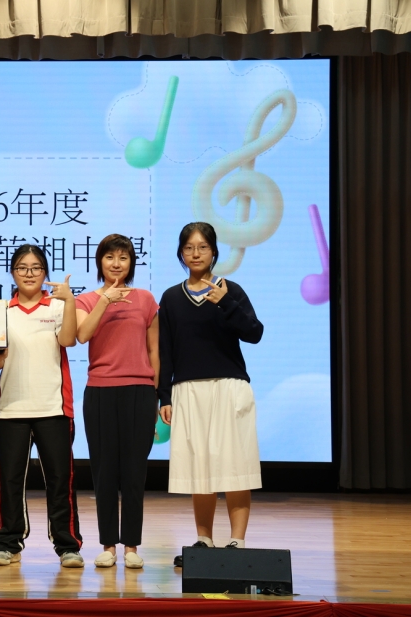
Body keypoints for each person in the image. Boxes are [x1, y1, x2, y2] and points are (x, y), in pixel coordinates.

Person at [158, 222, 264, 568]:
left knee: (235, 465)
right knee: (198, 467)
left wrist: (226, 303)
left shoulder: (230, 290)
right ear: (181, 253)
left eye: (202, 247)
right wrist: (164, 397)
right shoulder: (171, 297)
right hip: (188, 389)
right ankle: (204, 539)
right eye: (189, 248)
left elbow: (255, 333)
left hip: (229, 387)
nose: (196, 254)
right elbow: (165, 350)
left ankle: (237, 541)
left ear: (214, 252)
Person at [0, 245, 84, 569]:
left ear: (45, 273)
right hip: (11, 409)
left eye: (36, 268)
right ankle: (8, 543)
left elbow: (68, 340)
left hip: (53, 407)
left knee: (60, 480)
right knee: (10, 480)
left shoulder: (57, 306)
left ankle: (68, 546)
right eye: (22, 267)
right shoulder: (0, 310)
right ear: (12, 272)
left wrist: (69, 301)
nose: (29, 274)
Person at [75, 234, 159, 569]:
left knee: (135, 473)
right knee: (104, 471)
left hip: (140, 391)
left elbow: (154, 350)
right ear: (100, 262)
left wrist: (156, 395)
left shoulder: (146, 299)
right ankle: (108, 545)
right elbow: (82, 335)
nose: (116, 263)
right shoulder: (85, 300)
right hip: (100, 391)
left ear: (131, 263)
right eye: (110, 257)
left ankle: (132, 546)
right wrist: (105, 301)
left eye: (123, 257)